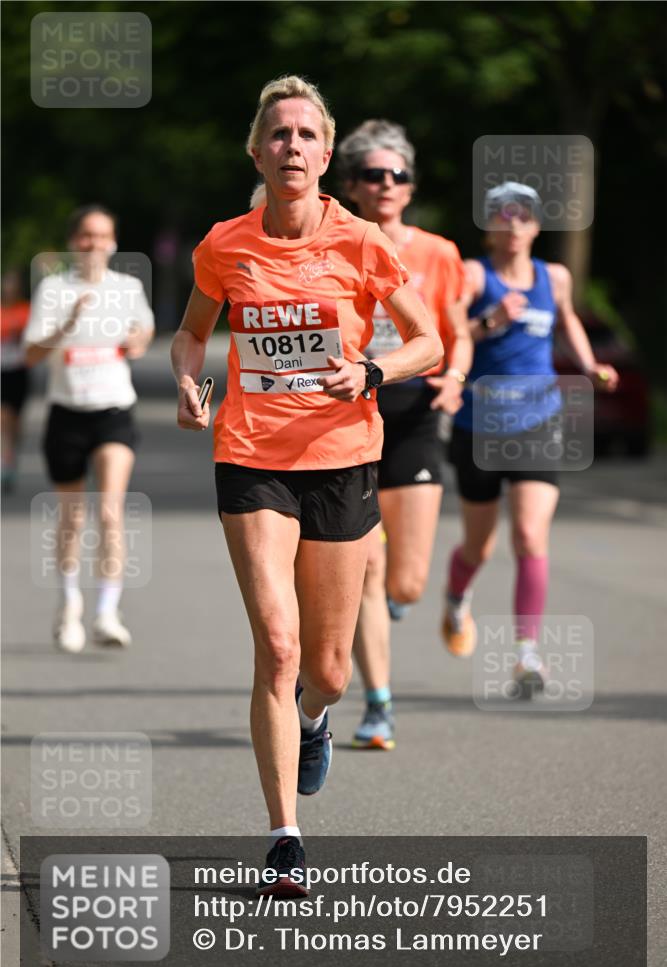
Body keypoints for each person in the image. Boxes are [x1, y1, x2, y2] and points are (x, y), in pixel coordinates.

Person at [170, 76, 442, 895]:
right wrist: (189, 383)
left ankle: (317, 718)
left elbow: (426, 343)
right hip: (251, 458)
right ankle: (285, 834)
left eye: (305, 136)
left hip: (343, 459)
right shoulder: (224, 245)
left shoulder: (361, 242)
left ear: (326, 155)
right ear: (257, 152)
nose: (291, 147)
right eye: (277, 135)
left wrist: (369, 367)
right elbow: (190, 334)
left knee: (324, 669)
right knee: (277, 646)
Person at [441, 182, 618, 695]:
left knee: (529, 537)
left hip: (539, 423)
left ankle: (527, 656)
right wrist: (489, 323)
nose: (513, 223)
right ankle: (457, 598)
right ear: (490, 226)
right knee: (479, 545)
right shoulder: (476, 276)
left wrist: (589, 366)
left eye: (523, 216)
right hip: (480, 426)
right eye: (502, 214)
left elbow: (567, 324)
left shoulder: (554, 277)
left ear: (536, 226)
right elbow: (450, 334)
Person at [336, 120, 472, 748]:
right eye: (373, 174)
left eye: (398, 175)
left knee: (406, 582)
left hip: (417, 412)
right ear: (353, 185)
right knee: (368, 567)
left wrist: (457, 376)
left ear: (410, 186)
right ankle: (379, 705)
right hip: (350, 411)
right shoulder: (336, 245)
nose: (387, 184)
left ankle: (400, 599)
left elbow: (456, 332)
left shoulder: (439, 253)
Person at [24, 205, 154, 653]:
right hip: (67, 412)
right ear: (73, 242)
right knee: (72, 517)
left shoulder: (127, 287)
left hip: (113, 409)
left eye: (102, 236)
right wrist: (67, 325)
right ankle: (70, 606)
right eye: (85, 236)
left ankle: (107, 613)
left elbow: (145, 330)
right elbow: (31, 355)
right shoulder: (54, 290)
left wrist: (138, 338)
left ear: (113, 243)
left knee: (111, 511)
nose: (94, 244)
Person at [1, 269, 31, 492]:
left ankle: (11, 457)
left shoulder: (25, 310)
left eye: (13, 284)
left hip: (18, 372)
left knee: (15, 422)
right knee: (3, 418)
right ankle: (6, 463)